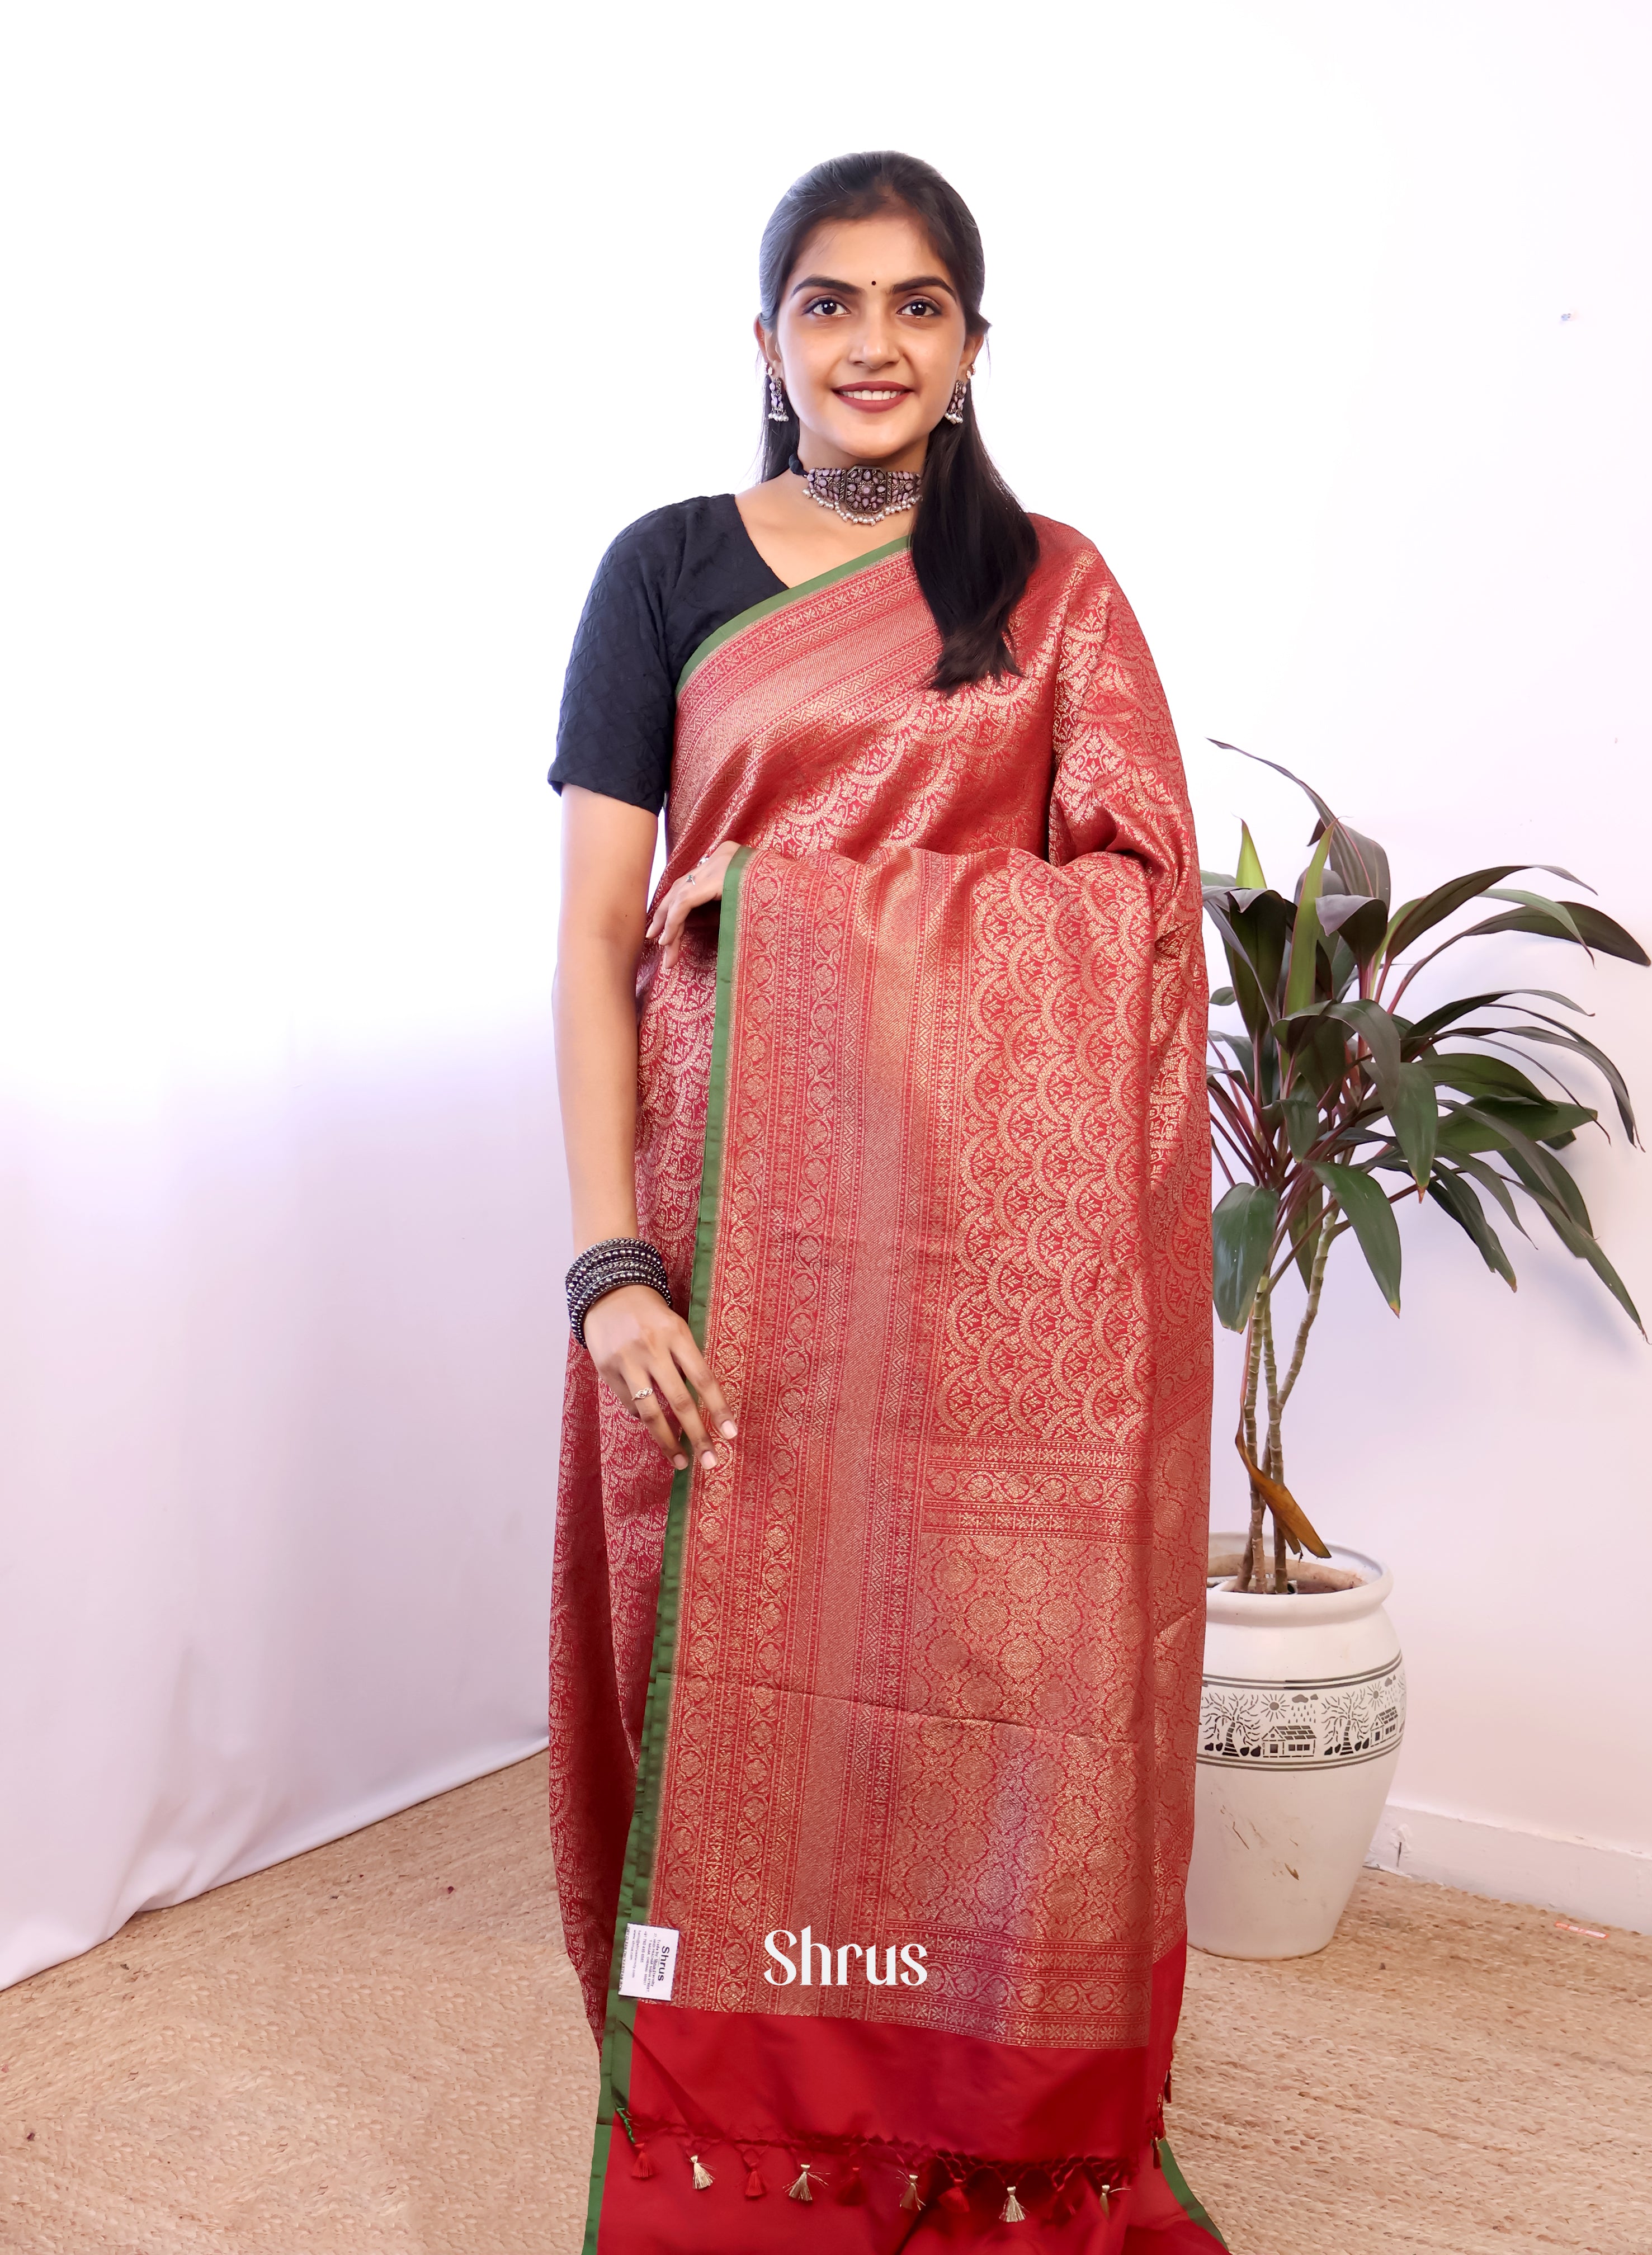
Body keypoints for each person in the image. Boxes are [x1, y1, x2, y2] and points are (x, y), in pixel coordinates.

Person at [548, 149, 1221, 2251]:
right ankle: (747, 2116)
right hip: (721, 1225)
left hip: (987, 1264)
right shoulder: (663, 571)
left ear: (972, 348)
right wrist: (607, 1268)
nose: (870, 342)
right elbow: (592, 939)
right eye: (828, 303)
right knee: (719, 1661)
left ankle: (981, 2116)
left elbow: (1144, 914)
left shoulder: (1052, 595)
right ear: (768, 342)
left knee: (974, 1681)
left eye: (915, 305)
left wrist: (809, 900)